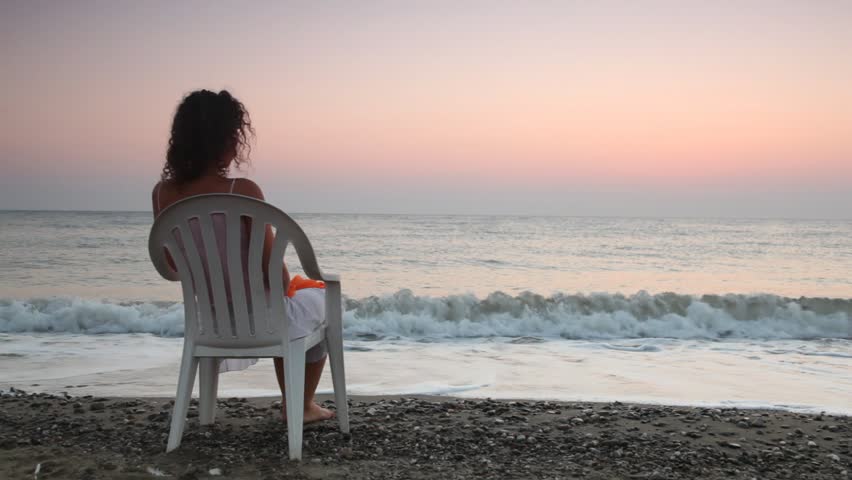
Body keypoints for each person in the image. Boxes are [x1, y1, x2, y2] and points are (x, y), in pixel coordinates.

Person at [152, 89, 334, 424]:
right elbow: (275, 278)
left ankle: (208, 414)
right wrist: (289, 282)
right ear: (226, 141)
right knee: (317, 299)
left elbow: (172, 268)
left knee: (293, 306)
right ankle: (300, 405)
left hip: (213, 322)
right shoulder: (244, 192)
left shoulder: (163, 193)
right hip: (266, 321)